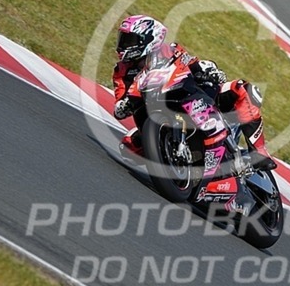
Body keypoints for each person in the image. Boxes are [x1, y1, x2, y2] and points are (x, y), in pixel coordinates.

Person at [112, 15, 277, 171]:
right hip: (154, 113)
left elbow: (193, 64)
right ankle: (171, 160)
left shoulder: (171, 50)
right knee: (128, 147)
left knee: (243, 88)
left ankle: (259, 152)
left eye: (130, 40)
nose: (124, 45)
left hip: (188, 94)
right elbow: (119, 105)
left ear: (150, 38)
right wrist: (124, 105)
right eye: (123, 39)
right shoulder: (121, 71)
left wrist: (209, 71)